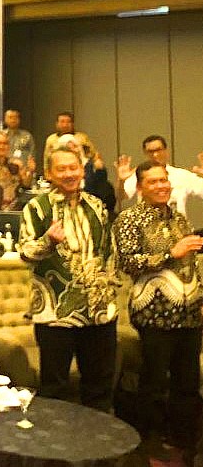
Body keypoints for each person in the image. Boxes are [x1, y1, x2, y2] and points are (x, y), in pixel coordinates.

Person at [114, 161, 203, 458]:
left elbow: (190, 262)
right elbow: (128, 263)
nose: (161, 186)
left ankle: (183, 443)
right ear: (140, 187)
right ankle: (149, 444)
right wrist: (169, 253)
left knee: (187, 383)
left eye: (163, 180)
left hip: (188, 314)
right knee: (154, 383)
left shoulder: (178, 219)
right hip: (154, 314)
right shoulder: (129, 219)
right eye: (153, 182)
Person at [18, 148, 118, 411]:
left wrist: (109, 290)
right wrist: (48, 242)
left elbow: (109, 251)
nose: (69, 174)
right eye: (61, 169)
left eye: (73, 167)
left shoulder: (97, 206)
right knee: (55, 389)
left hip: (98, 312)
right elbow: (25, 253)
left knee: (99, 386)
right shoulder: (37, 208)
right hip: (54, 313)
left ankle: (98, 436)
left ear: (82, 170)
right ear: (49, 174)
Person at [115, 134, 203, 213]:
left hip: (176, 223)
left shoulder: (182, 175)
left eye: (158, 150)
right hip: (147, 222)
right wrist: (121, 181)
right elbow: (121, 196)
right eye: (150, 151)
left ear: (166, 151)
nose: (155, 155)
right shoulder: (140, 175)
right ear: (145, 153)